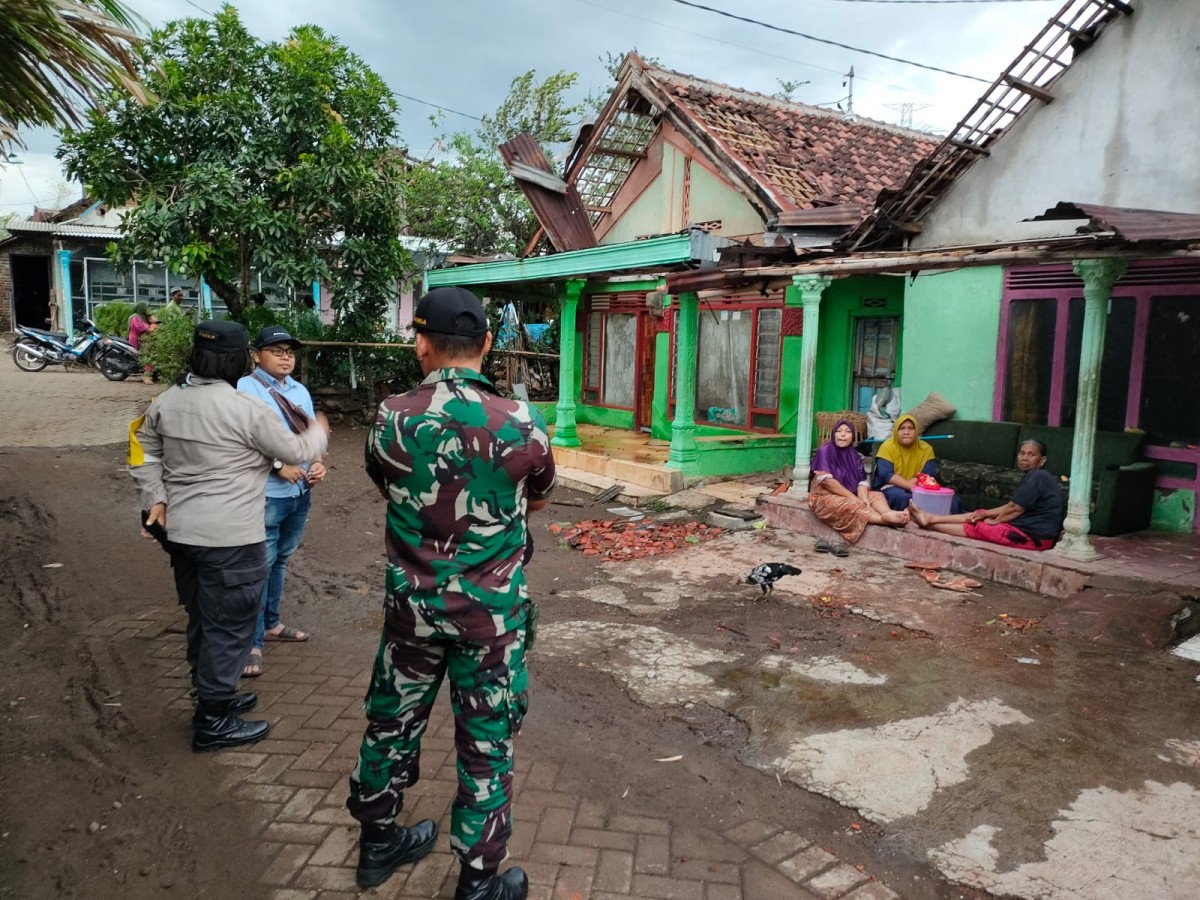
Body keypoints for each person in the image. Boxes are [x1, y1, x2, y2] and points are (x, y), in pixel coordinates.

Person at [346, 286, 555, 898]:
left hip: (412, 611)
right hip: (490, 621)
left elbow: (386, 483)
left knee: (390, 723)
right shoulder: (521, 422)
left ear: (421, 344)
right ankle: (478, 880)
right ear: (487, 344)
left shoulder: (391, 414)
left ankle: (377, 845)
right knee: (487, 744)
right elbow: (538, 496)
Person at [129, 320, 328, 752]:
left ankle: (211, 695)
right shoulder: (244, 408)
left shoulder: (166, 401)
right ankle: (212, 722)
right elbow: (296, 451)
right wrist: (319, 429)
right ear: (241, 359)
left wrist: (155, 498)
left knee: (203, 618)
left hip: (181, 534)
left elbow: (142, 448)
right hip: (231, 538)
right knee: (230, 626)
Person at [236, 326, 324, 678]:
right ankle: (251, 642)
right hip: (265, 494)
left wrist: (317, 462)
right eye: (277, 350)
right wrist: (277, 465)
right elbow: (241, 440)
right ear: (257, 355)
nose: (286, 356)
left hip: (299, 494)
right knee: (259, 566)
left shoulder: (300, 390)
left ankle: (271, 624)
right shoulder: (245, 389)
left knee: (281, 561)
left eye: (290, 350)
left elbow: (310, 434)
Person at [908, 439, 1063, 551]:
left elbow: (1015, 508)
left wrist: (997, 521)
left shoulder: (1038, 476)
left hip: (1036, 538)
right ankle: (930, 517)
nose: (1025, 457)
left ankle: (929, 523)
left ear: (1042, 460)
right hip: (1024, 527)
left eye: (1031, 455)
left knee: (982, 528)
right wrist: (986, 514)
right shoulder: (1034, 476)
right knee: (980, 514)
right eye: (1022, 453)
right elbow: (1013, 505)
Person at [808, 419, 909, 545]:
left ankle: (887, 513)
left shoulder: (855, 456)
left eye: (847, 432)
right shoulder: (825, 451)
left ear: (853, 437)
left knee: (876, 495)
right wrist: (854, 498)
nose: (843, 435)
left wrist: (864, 499)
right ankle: (883, 519)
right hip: (824, 496)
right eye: (839, 431)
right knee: (852, 505)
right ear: (834, 434)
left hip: (852, 493)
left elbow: (861, 483)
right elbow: (828, 482)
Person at [871, 414, 945, 511]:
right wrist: (910, 487)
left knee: (951, 500)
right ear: (896, 431)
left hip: (919, 486)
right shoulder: (887, 447)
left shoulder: (926, 449)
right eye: (902, 428)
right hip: (891, 487)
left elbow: (927, 474)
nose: (906, 432)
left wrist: (912, 487)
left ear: (916, 431)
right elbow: (886, 475)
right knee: (901, 497)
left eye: (910, 428)